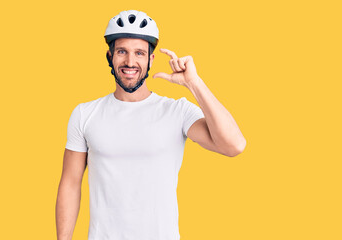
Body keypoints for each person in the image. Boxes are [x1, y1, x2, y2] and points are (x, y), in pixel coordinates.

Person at [55, 10, 246, 240]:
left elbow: (234, 145)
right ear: (109, 56)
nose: (130, 62)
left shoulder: (177, 111)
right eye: (122, 51)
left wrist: (194, 83)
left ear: (150, 59)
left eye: (139, 53)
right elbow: (70, 184)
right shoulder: (85, 114)